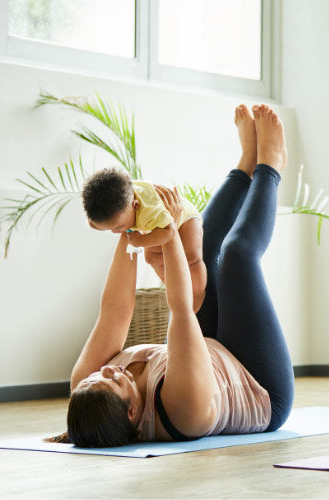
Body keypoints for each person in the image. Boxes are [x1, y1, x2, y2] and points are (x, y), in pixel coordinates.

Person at [50, 104, 294, 448]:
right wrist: (168, 230)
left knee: (204, 257)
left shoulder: (87, 391)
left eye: (92, 379)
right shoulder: (182, 410)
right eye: (111, 380)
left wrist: (129, 225)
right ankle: (270, 165)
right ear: (134, 410)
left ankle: (246, 162)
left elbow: (115, 312)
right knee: (238, 256)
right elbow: (181, 307)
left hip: (208, 348)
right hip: (258, 380)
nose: (102, 371)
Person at [82, 168, 206, 312]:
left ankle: (199, 293)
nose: (115, 232)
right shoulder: (121, 198)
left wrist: (141, 240)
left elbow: (168, 232)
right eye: (110, 229)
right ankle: (173, 287)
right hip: (159, 226)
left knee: (191, 257)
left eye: (119, 226)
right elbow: (93, 222)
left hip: (185, 220)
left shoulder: (149, 210)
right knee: (151, 257)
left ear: (135, 205)